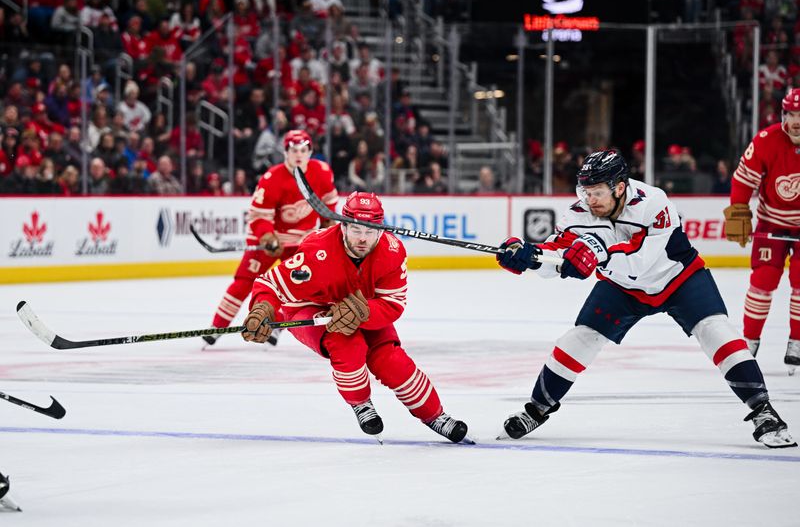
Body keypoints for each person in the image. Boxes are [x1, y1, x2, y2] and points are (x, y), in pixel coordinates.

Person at [495, 150, 795, 449]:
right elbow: (557, 256)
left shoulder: (654, 202)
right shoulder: (577, 213)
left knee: (716, 331)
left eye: (598, 192)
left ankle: (764, 412)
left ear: (620, 187)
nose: (591, 200)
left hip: (679, 278)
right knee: (579, 338)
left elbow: (641, 262)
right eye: (586, 192)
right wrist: (530, 257)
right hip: (622, 288)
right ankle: (537, 408)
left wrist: (595, 254)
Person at [241, 192, 471, 444]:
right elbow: (270, 284)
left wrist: (364, 313)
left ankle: (434, 415)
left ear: (380, 230)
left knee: (391, 361)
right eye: (356, 230)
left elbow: (393, 304)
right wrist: (262, 309)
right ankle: (361, 402)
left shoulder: (392, 252)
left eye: (370, 231)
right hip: (310, 307)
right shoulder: (316, 252)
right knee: (346, 344)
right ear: (343, 226)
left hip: (366, 308)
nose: (362, 238)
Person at [204, 130, 338, 346]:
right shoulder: (272, 178)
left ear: (311, 152)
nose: (299, 155)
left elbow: (328, 204)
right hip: (269, 243)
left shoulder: (321, 172)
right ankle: (217, 326)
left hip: (300, 244)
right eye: (294, 150)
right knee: (244, 282)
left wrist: (327, 224)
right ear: (285, 152)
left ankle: (276, 327)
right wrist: (267, 236)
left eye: (303, 150)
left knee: (298, 287)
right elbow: (258, 216)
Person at [724, 88, 800, 374]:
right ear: (783, 114)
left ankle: (797, 339)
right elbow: (743, 180)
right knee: (763, 280)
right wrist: (739, 212)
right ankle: (751, 340)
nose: (796, 121)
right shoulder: (767, 140)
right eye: (791, 114)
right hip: (772, 223)